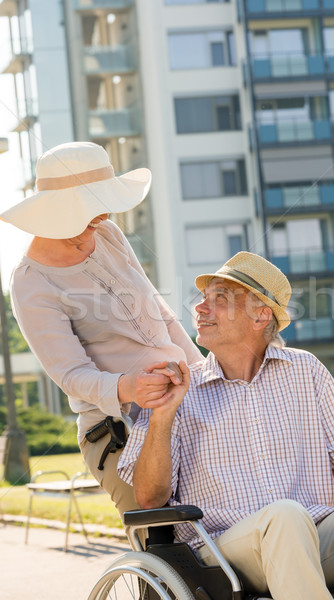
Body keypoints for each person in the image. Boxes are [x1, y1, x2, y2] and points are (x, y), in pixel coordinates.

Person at [118, 251, 334, 600]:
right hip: (223, 555)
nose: (200, 309)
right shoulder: (179, 391)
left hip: (315, 535)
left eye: (219, 299)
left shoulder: (305, 370)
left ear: (260, 315)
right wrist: (162, 415)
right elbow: (149, 498)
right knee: (284, 516)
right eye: (203, 300)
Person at [0, 141, 202, 520]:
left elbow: (161, 314)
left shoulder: (107, 234)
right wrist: (130, 386)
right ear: (58, 210)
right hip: (117, 428)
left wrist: (205, 374)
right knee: (162, 533)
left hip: (184, 401)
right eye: (94, 206)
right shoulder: (32, 283)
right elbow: (72, 375)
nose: (106, 214)